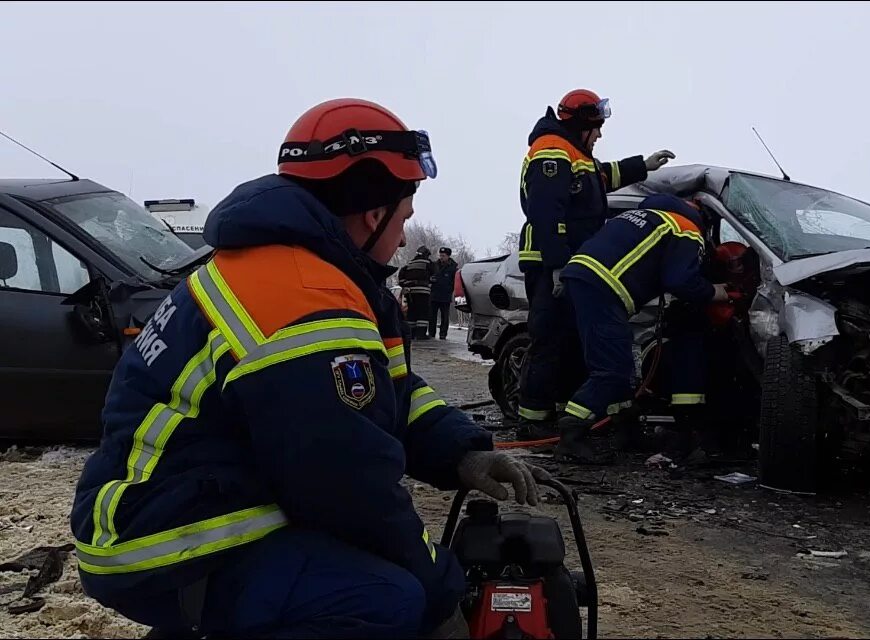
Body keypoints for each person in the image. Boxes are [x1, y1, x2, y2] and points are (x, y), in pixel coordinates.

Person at [69, 97, 550, 639]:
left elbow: (384, 392)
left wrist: (461, 450)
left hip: (170, 513)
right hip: (165, 542)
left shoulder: (296, 268)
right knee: (388, 598)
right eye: (404, 217)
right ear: (374, 214)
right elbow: (344, 481)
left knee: (357, 576)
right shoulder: (303, 295)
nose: (401, 234)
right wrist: (440, 589)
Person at [515, 88, 676, 439]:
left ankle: (563, 414)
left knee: (572, 340)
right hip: (548, 264)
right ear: (582, 124)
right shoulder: (552, 149)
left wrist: (642, 165)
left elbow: (602, 177)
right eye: (598, 127)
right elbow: (546, 211)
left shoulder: (576, 154)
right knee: (550, 339)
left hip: (572, 263)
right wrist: (557, 263)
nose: (601, 134)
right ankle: (533, 420)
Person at [554, 194, 729, 464]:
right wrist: (715, 292)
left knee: (617, 362)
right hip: (604, 285)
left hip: (580, 277)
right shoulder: (686, 227)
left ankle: (627, 429)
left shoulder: (645, 217)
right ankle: (572, 432)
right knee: (613, 370)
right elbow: (680, 280)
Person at [399, 245, 435, 339]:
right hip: (422, 291)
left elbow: (401, 277)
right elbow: (435, 275)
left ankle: (411, 334)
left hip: (410, 292)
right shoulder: (428, 263)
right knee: (423, 312)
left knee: (412, 312)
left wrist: (405, 285)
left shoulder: (410, 263)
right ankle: (421, 334)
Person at [428, 246, 458, 340]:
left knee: (445, 317)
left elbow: (455, 281)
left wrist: (450, 289)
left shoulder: (453, 267)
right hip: (434, 294)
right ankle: (431, 333)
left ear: (448, 256)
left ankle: (443, 334)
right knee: (432, 316)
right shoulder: (434, 265)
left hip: (445, 296)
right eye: (440, 255)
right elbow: (429, 276)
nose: (441, 257)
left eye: (443, 256)